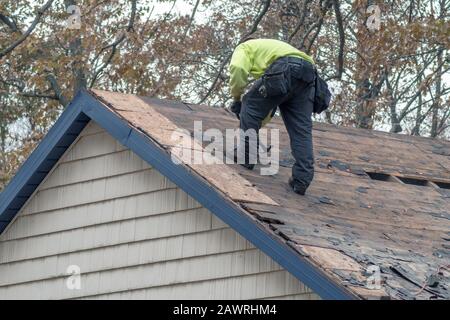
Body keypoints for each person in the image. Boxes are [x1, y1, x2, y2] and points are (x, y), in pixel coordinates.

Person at [229, 38, 317, 195]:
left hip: (287, 67)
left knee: (249, 102)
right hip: (309, 74)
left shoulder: (244, 47)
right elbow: (268, 109)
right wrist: (254, 123)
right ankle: (301, 180)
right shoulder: (271, 49)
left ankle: (246, 156)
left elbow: (237, 68)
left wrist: (237, 98)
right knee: (301, 130)